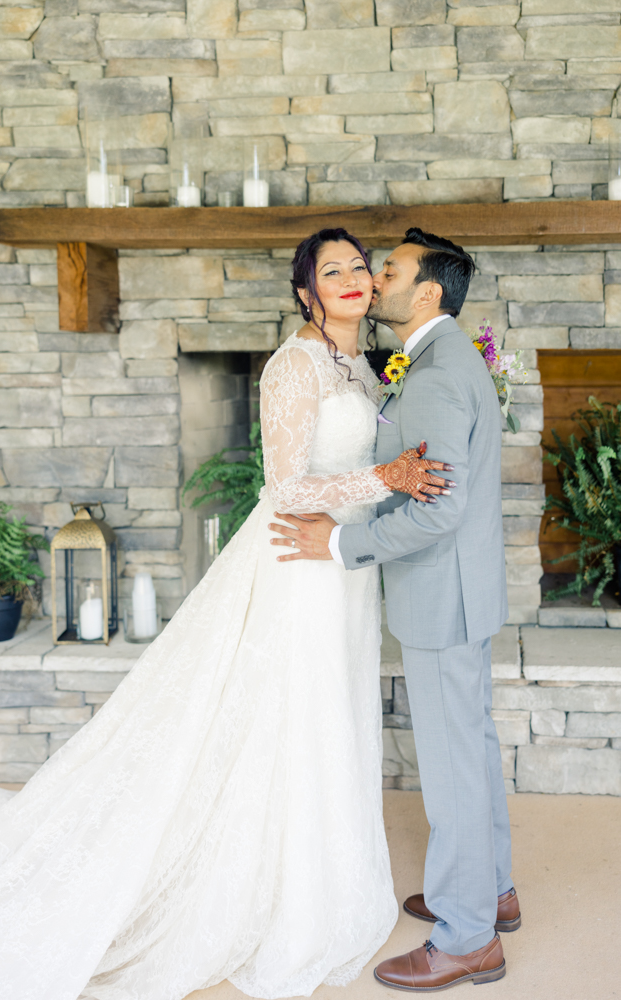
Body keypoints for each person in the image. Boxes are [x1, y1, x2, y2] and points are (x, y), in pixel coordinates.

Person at [0, 228, 454, 1000]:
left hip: (345, 563)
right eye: (332, 271)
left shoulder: (358, 362)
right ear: (305, 292)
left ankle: (321, 872)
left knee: (329, 714)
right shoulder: (293, 367)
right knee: (293, 716)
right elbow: (284, 488)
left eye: (359, 265)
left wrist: (394, 477)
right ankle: (281, 894)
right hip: (298, 563)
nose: (353, 278)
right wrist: (383, 475)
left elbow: (359, 467)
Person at [269, 228, 519, 993]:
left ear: (428, 293)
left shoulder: (440, 372)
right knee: (468, 751)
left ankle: (466, 933)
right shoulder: (440, 359)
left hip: (441, 595)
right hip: (457, 593)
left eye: (390, 270)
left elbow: (437, 511)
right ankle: (491, 892)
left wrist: (340, 550)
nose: (375, 281)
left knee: (450, 770)